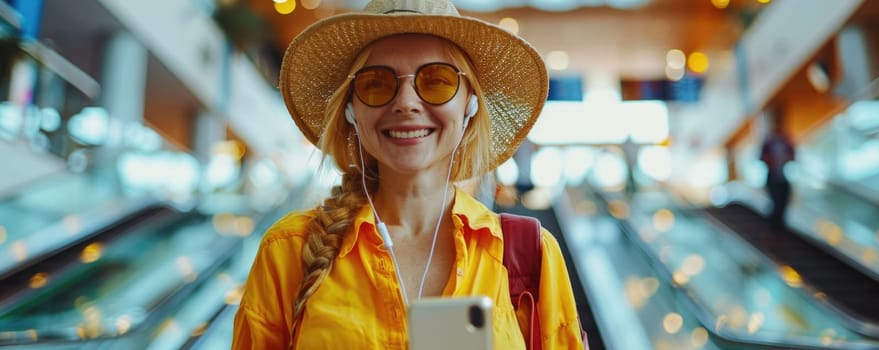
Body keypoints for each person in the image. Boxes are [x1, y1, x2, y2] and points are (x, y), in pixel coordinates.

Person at [231, 0, 586, 349]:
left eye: (435, 80)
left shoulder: (529, 255)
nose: (405, 102)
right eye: (376, 83)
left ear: (470, 105)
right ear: (351, 110)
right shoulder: (288, 251)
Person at [759, 114, 796, 233]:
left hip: (782, 176)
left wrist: (785, 158)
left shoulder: (785, 140)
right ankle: (772, 231)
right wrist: (772, 161)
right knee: (776, 203)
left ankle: (779, 231)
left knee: (783, 203)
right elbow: (762, 158)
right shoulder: (768, 142)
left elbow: (793, 156)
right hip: (772, 176)